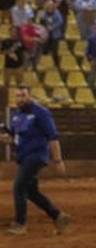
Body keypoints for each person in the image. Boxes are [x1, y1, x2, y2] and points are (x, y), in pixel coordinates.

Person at [4, 85, 71, 235]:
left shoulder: (41, 112)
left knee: (19, 187)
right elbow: (13, 137)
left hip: (36, 156)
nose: (19, 99)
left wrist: (58, 160)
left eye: (22, 95)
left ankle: (20, 224)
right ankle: (58, 216)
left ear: (29, 96)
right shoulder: (17, 114)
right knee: (31, 192)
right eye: (17, 96)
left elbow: (53, 137)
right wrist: (5, 139)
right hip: (24, 156)